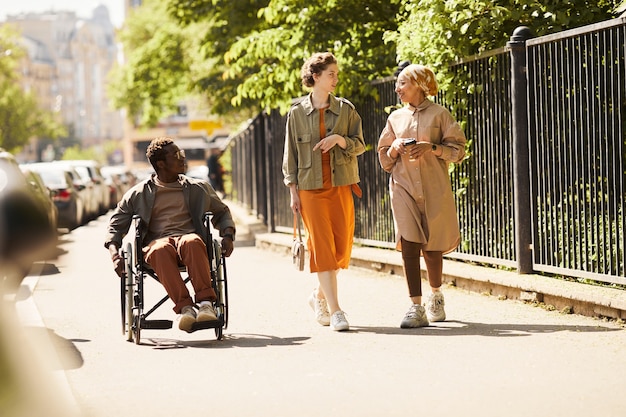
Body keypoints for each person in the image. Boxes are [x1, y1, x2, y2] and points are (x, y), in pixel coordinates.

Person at [104, 137, 236, 333]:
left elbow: (222, 212)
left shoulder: (198, 188)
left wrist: (227, 235)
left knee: (191, 241)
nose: (183, 158)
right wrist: (115, 256)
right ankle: (185, 309)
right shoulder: (138, 194)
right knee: (160, 248)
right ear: (161, 164)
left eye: (181, 153)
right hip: (157, 244)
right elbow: (115, 227)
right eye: (176, 155)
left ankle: (206, 304)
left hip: (190, 240)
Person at [377, 64, 466, 328]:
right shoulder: (394, 118)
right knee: (409, 241)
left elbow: (458, 150)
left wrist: (432, 148)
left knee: (433, 243)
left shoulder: (440, 115)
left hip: (434, 187)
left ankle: (435, 296)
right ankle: (415, 307)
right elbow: (384, 160)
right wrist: (393, 149)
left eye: (402, 83)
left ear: (418, 83)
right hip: (402, 187)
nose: (397, 89)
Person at [282, 52, 366, 331]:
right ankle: (336, 310)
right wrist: (293, 192)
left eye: (336, 74)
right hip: (309, 190)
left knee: (341, 250)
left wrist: (341, 139)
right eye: (331, 74)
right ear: (315, 76)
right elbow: (290, 156)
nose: (335, 79)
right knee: (322, 249)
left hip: (341, 185)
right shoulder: (296, 113)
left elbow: (360, 144)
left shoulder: (346, 110)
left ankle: (317, 296)